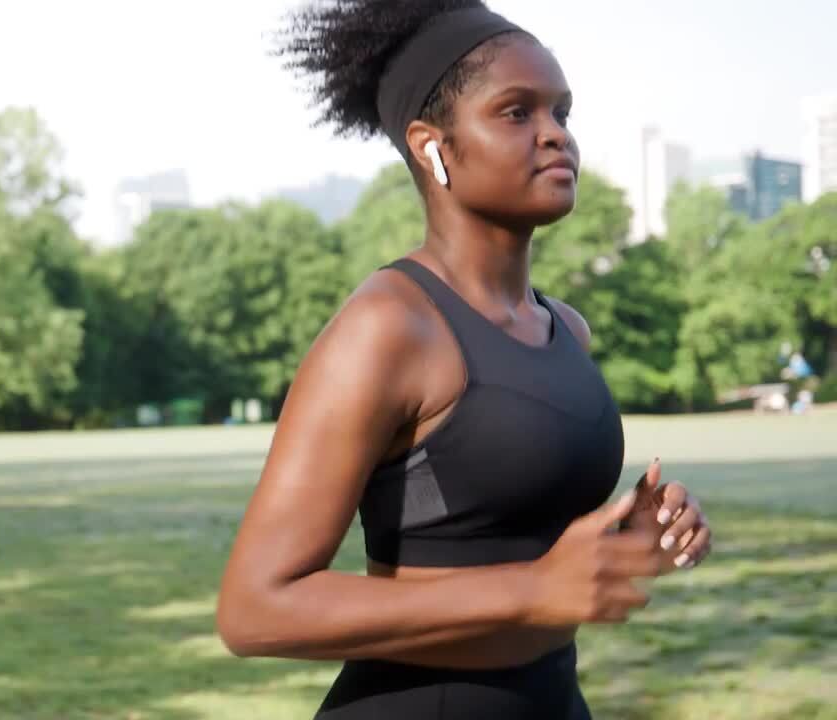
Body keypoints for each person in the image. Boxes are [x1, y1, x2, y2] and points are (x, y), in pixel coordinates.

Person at [216, 2, 713, 717]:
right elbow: (255, 609)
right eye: (516, 113)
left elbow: (505, 520)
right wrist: (533, 589)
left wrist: (634, 534)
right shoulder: (388, 328)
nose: (555, 136)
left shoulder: (566, 329)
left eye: (562, 112)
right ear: (431, 146)